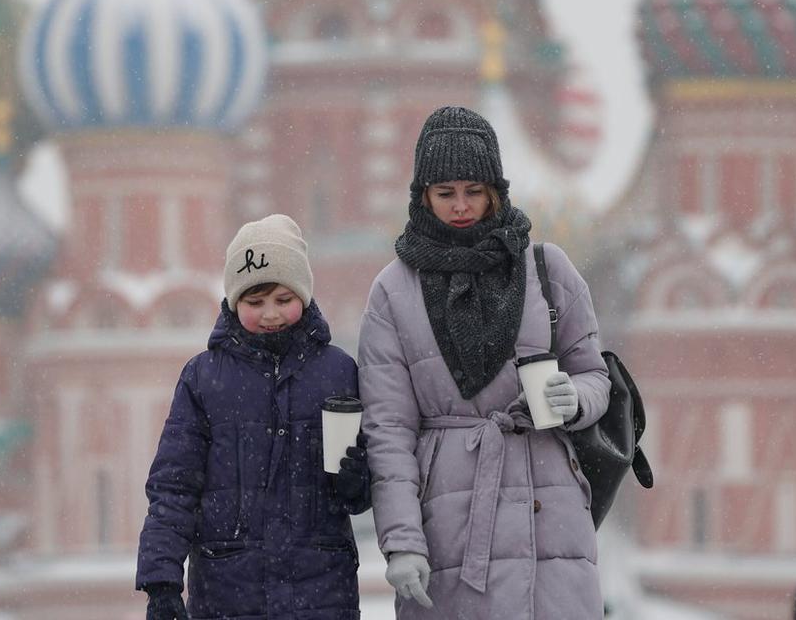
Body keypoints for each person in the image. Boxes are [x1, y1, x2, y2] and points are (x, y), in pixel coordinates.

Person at [358, 105, 611, 619]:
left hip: (550, 513)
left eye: (474, 191)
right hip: (450, 517)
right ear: (422, 196)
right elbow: (389, 430)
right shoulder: (392, 289)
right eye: (445, 193)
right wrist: (402, 541)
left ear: (496, 190)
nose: (461, 206)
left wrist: (575, 398)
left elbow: (595, 375)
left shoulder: (548, 267)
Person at [136, 214, 370, 620]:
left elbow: (362, 488)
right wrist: (161, 581)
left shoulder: (338, 371)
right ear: (233, 302)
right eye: (254, 302)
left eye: (283, 300)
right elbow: (174, 487)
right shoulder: (204, 378)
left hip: (319, 591)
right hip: (229, 592)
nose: (270, 315)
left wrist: (358, 479)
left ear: (305, 296)